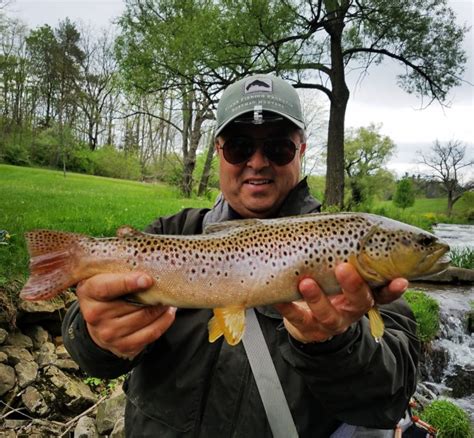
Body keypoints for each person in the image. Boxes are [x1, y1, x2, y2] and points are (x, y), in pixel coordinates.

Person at [62, 74, 419, 437]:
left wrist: (335, 344)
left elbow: (388, 399)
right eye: (239, 146)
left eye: (278, 148)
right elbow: (89, 349)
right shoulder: (172, 232)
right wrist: (96, 336)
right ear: (218, 150)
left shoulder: (352, 258)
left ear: (302, 150)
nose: (258, 162)